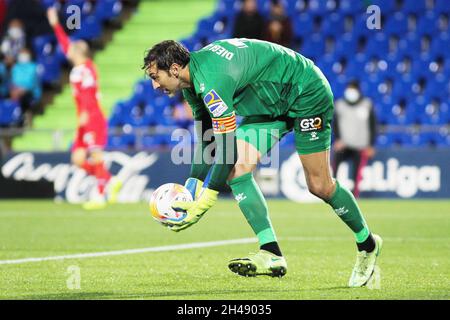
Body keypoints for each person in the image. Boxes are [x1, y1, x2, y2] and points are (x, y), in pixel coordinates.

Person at [142, 39, 383, 287]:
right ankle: (272, 254)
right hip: (272, 104)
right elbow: (207, 139)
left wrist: (205, 200)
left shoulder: (213, 80)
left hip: (306, 92)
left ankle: (367, 244)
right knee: (236, 172)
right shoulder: (193, 83)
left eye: (155, 76)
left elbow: (225, 149)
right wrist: (192, 187)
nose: (154, 84)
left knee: (320, 185)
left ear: (173, 68)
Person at [47, 7, 122, 210]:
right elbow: (64, 44)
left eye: (71, 49)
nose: (67, 51)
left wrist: (85, 116)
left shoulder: (87, 70)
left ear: (78, 52)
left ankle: (99, 195)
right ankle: (110, 181)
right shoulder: (78, 68)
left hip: (92, 118)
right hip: (83, 118)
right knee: (78, 159)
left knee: (95, 155)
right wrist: (55, 24)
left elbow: (88, 97)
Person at [332, 81, 377, 198]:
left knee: (356, 175)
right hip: (343, 144)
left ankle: (354, 198)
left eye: (353, 89)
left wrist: (370, 145)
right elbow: (334, 124)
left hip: (360, 146)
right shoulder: (340, 104)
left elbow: (373, 126)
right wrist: (337, 140)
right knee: (334, 170)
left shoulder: (367, 104)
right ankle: (331, 194)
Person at [10, 48, 41, 122]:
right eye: (22, 53)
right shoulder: (15, 67)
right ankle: (14, 119)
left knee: (22, 95)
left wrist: (23, 90)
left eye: (25, 53)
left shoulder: (34, 67)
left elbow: (33, 84)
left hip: (31, 93)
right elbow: (13, 82)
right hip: (17, 92)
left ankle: (25, 117)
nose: (23, 56)